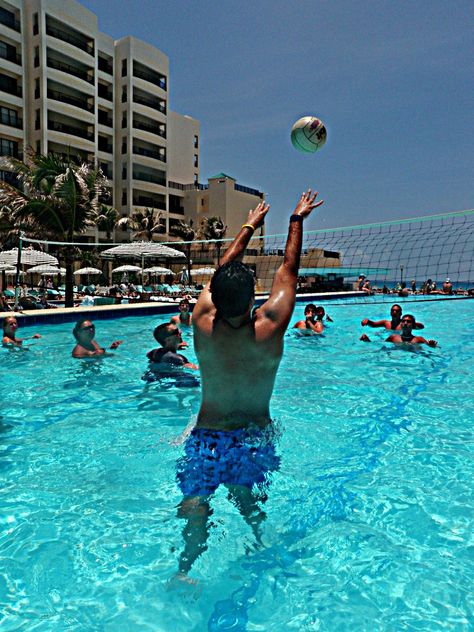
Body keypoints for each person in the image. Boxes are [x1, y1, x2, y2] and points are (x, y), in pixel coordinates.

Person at [174, 189, 324, 579]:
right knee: (248, 501)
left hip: (207, 435)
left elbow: (223, 270)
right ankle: (261, 544)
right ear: (251, 300)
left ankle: (184, 568)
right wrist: (296, 221)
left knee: (195, 500)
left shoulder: (202, 322)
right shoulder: (270, 327)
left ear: (217, 298)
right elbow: (288, 270)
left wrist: (249, 226)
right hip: (253, 437)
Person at [361, 314, 437, 347]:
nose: (405, 323)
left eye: (408, 322)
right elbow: (380, 345)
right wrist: (367, 340)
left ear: (413, 325)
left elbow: (432, 347)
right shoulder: (393, 337)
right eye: (403, 321)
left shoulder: (419, 339)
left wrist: (432, 345)